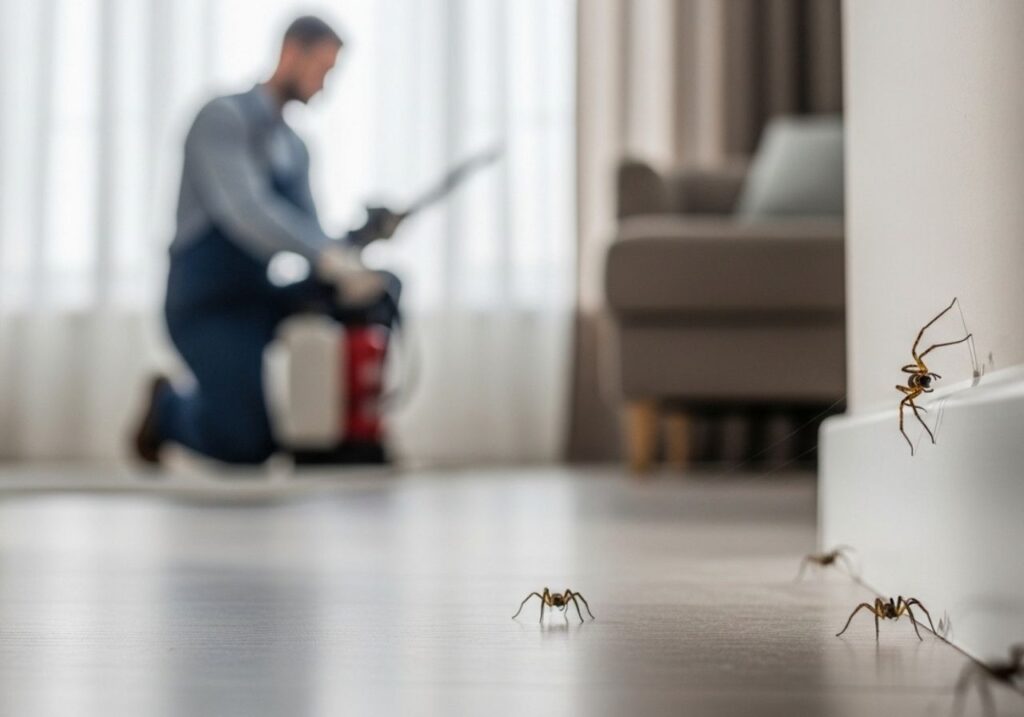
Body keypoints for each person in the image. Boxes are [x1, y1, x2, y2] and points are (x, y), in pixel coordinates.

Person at [132, 15, 402, 465]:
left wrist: (359, 242)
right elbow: (247, 213)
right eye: (323, 68)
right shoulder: (221, 118)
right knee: (246, 444)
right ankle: (167, 410)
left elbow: (312, 237)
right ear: (291, 52)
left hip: (257, 296)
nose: (325, 84)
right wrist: (328, 255)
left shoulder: (294, 147)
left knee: (382, 285)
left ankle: (350, 435)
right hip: (207, 305)